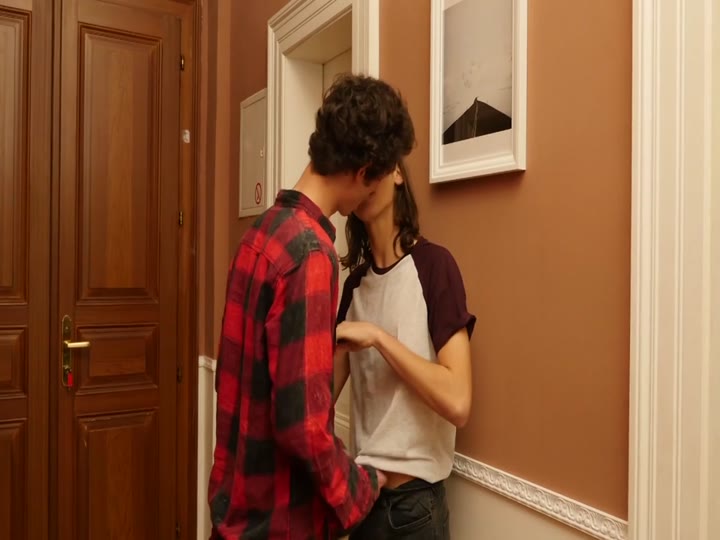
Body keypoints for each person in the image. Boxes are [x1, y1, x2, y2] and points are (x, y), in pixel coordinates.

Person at [208, 74, 415, 539]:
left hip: (235, 511)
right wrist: (361, 488)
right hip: (277, 523)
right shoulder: (310, 253)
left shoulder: (260, 232)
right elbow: (302, 424)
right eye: (375, 182)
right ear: (364, 172)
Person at [334, 160, 475, 540]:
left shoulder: (435, 266)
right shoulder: (354, 287)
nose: (363, 179)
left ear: (396, 171)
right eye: (354, 170)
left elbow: (459, 401)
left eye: (372, 167)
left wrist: (379, 338)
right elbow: (318, 399)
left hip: (416, 510)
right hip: (363, 503)